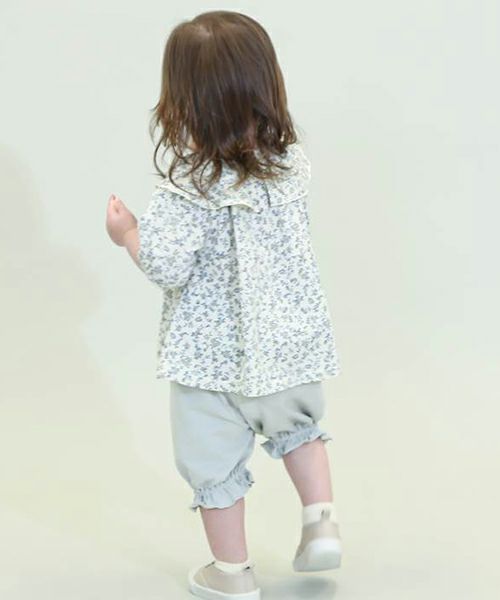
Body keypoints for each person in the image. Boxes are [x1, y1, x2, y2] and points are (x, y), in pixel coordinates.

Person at [105, 10, 342, 600]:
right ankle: (320, 520)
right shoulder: (290, 165)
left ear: (182, 101)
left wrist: (128, 233)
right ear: (266, 85)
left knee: (212, 463)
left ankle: (232, 573)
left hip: (211, 360)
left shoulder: (187, 185)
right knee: (299, 429)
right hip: (287, 341)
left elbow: (168, 267)